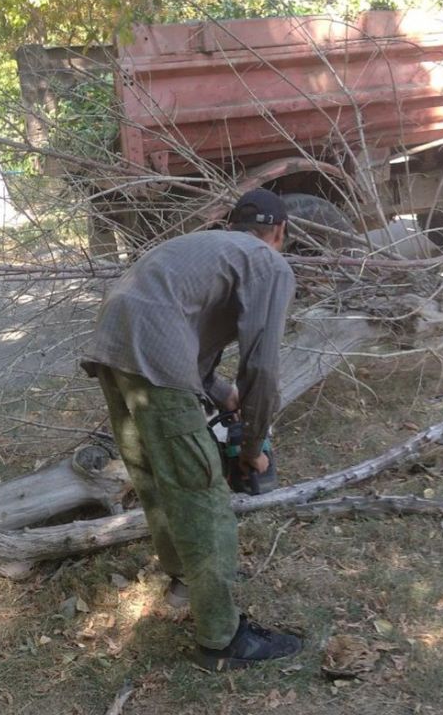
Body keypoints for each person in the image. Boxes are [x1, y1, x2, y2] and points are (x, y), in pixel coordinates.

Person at [81, 188, 302, 670]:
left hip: (112, 345)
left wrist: (222, 395)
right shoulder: (268, 262)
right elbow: (261, 367)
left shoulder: (206, 247)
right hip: (151, 350)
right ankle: (222, 641)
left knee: (156, 476)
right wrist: (253, 446)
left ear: (234, 224)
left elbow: (180, 326)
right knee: (202, 495)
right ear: (280, 232)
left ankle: (183, 580)